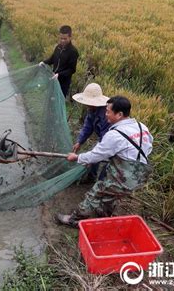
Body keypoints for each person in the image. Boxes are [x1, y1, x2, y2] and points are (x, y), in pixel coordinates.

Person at [56, 96, 153, 227]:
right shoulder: (142, 127)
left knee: (96, 192)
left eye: (108, 111)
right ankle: (104, 215)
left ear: (119, 114)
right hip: (140, 176)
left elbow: (96, 155)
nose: (105, 114)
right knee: (111, 193)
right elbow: (148, 146)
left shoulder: (115, 134)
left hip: (124, 178)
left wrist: (77, 157)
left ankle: (74, 219)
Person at [39, 25, 79, 98]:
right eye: (61, 38)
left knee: (58, 101)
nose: (62, 40)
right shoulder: (58, 47)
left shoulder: (73, 51)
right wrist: (44, 62)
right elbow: (52, 59)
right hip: (53, 78)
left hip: (63, 83)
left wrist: (59, 74)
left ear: (70, 37)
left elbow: (72, 70)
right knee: (50, 99)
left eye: (65, 38)